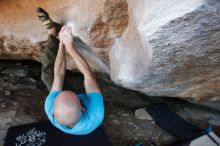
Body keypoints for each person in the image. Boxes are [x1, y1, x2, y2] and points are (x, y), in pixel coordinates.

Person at [37, 7, 104, 135]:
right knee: (92, 85)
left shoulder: (50, 107)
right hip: (86, 111)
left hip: (70, 108)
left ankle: (52, 31)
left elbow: (59, 74)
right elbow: (88, 75)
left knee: (47, 75)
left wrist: (62, 43)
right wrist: (70, 47)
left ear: (53, 113)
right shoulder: (96, 113)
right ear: (83, 107)